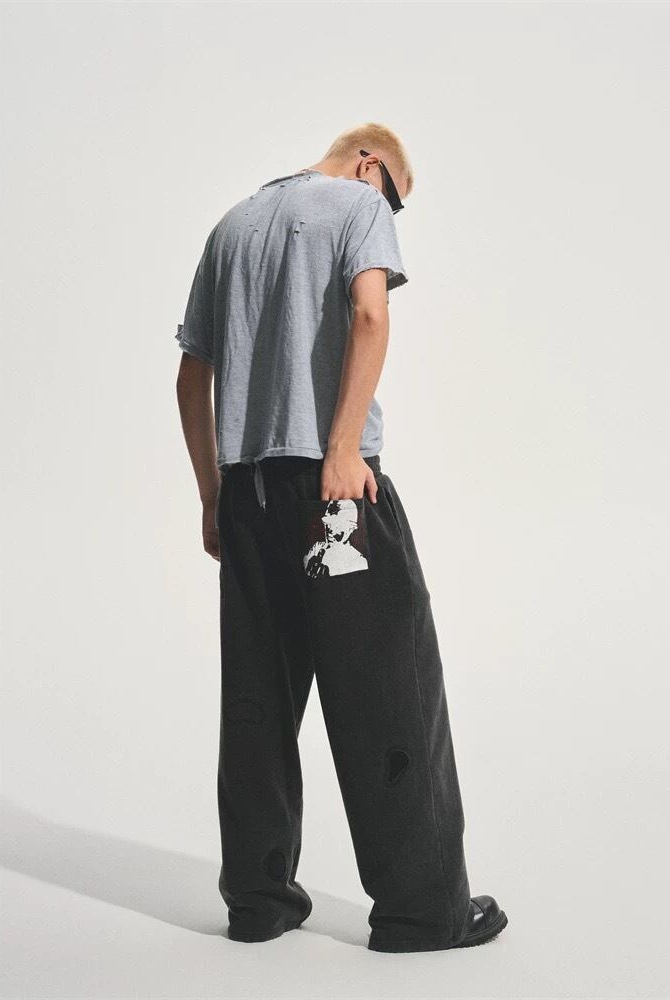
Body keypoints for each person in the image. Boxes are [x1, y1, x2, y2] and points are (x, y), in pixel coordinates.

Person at [174, 122, 508, 953]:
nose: (389, 213)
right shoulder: (357, 205)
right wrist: (341, 450)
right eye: (395, 197)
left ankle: (257, 902)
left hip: (247, 495)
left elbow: (191, 374)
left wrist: (212, 494)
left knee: (258, 695)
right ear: (369, 165)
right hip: (335, 496)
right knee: (389, 687)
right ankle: (424, 913)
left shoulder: (231, 227)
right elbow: (368, 312)